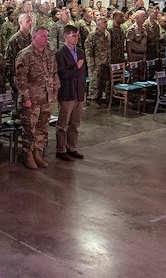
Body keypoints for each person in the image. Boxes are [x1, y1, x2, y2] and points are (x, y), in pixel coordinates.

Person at [14, 25, 58, 170]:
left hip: (45, 98)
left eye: (47, 36)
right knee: (29, 129)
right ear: (34, 38)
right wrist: (25, 98)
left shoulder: (50, 54)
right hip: (31, 99)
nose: (46, 39)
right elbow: (21, 80)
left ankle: (38, 152)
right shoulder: (25, 55)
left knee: (42, 127)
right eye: (43, 36)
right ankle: (28, 155)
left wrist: (54, 91)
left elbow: (54, 74)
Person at [54, 25, 87, 160]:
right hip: (67, 92)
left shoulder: (80, 52)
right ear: (65, 36)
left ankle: (71, 147)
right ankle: (61, 149)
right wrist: (76, 67)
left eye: (77, 36)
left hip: (78, 91)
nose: (76, 38)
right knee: (63, 124)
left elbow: (84, 73)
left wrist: (84, 89)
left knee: (75, 123)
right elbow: (63, 75)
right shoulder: (60, 53)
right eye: (73, 36)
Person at [85, 17, 110, 107]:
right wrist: (91, 63)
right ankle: (93, 100)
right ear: (98, 24)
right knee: (94, 82)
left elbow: (108, 49)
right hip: (96, 63)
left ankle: (99, 99)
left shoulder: (107, 34)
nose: (106, 24)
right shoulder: (93, 35)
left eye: (106, 22)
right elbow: (88, 50)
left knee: (103, 82)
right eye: (104, 22)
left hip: (105, 62)